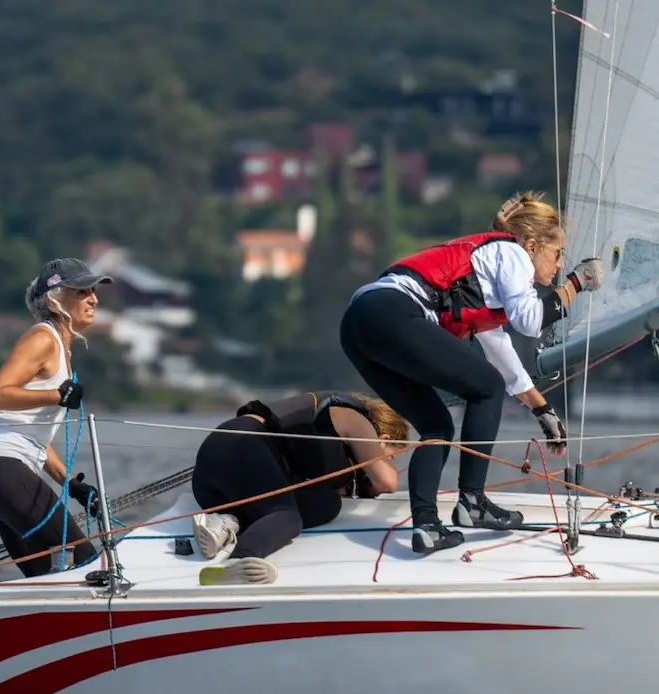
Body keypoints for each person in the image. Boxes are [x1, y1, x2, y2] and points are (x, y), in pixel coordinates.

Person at [339, 191, 604, 556]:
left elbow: (500, 352)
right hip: (392, 311)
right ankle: (472, 502)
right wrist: (576, 283)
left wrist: (542, 410)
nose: (559, 265)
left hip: (360, 323)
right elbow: (529, 322)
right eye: (557, 254)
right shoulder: (512, 253)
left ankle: (427, 527)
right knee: (487, 389)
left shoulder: (489, 278)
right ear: (532, 244)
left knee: (438, 426)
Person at [0, 258, 112, 578]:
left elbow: (33, 435)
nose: (94, 298)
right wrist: (57, 395)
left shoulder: (62, 347)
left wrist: (71, 485)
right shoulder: (42, 338)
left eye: (94, 291)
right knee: (85, 557)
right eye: (82, 291)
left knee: (42, 575)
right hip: (1, 466)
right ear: (55, 299)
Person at [190, 390, 408, 586]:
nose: (391, 462)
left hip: (216, 481)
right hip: (243, 445)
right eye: (392, 456)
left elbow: (327, 493)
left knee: (326, 505)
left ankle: (226, 523)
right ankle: (234, 563)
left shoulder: (332, 443)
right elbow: (386, 482)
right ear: (383, 440)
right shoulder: (354, 418)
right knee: (287, 516)